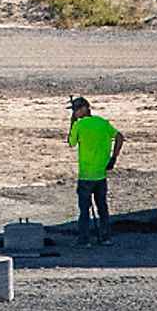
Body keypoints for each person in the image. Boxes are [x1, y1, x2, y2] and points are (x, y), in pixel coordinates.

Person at [68, 95, 122, 240]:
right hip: (101, 174)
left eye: (76, 110)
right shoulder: (103, 123)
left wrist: (72, 124)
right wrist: (113, 158)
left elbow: (71, 142)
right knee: (102, 208)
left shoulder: (79, 125)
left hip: (86, 175)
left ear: (85, 109)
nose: (75, 113)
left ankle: (84, 239)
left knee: (84, 210)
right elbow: (119, 137)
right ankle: (105, 237)